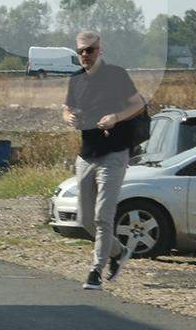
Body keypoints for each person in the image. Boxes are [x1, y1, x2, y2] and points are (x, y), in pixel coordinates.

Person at [62, 30, 145, 289]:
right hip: (87, 155)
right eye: (81, 51)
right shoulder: (76, 80)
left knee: (102, 216)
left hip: (114, 154)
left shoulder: (116, 75)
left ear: (101, 50)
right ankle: (118, 252)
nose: (85, 55)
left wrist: (116, 117)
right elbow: (66, 107)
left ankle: (95, 271)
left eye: (90, 50)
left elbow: (138, 104)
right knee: (85, 219)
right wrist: (67, 117)